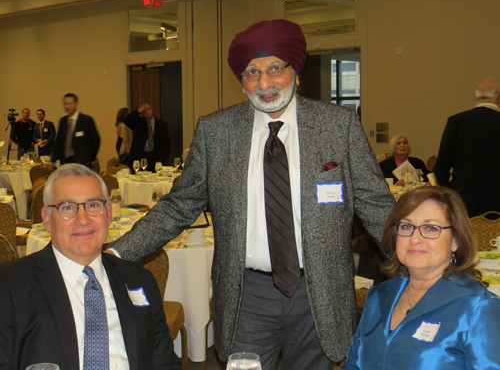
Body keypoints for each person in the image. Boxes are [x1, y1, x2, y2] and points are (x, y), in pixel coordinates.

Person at [111, 19, 394, 370]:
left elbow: (377, 207)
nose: (264, 83)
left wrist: (422, 261)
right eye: (251, 72)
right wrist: (116, 252)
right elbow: (178, 206)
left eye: (275, 68)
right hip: (248, 295)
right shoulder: (216, 132)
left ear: (295, 69)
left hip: (320, 292)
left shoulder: (338, 126)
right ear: (241, 80)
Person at [0, 164, 181, 370]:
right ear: (47, 220)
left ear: (109, 214)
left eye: (93, 205)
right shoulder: (9, 285)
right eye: (67, 207)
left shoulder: (140, 280)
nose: (83, 219)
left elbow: (164, 364)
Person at [342, 186, 500, 370]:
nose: (415, 238)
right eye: (406, 226)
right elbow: (353, 364)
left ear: (456, 240)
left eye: (431, 228)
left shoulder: (478, 307)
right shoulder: (379, 296)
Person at [434, 77, 500, 217]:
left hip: (463, 201)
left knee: (465, 238)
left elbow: (441, 166)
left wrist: (450, 192)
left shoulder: (455, 122)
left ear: (476, 97)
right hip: (496, 203)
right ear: (498, 97)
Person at [48, 93, 100, 172]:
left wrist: (89, 159)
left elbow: (96, 140)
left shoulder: (86, 120)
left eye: (69, 103)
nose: (67, 106)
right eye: (65, 104)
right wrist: (52, 160)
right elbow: (58, 142)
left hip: (82, 163)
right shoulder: (63, 121)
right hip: (65, 163)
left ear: (76, 104)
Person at [123, 103, 170, 172]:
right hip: (141, 156)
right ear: (141, 113)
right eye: (144, 111)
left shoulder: (162, 124)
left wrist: (164, 156)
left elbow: (167, 142)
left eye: (148, 109)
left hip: (156, 157)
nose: (147, 112)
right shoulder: (137, 122)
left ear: (152, 110)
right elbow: (126, 120)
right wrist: (137, 111)